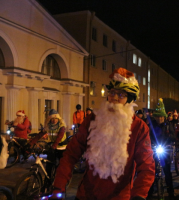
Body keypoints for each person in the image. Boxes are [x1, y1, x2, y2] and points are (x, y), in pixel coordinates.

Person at [51, 68, 155, 200]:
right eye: (112, 93)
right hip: (86, 195)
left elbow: (146, 167)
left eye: (121, 95)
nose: (115, 99)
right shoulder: (93, 119)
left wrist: (139, 195)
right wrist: (58, 187)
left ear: (130, 99)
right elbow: (71, 154)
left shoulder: (139, 127)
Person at [29, 109, 67, 189]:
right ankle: (47, 182)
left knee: (60, 167)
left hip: (61, 148)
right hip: (52, 147)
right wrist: (31, 143)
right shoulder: (48, 126)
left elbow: (59, 137)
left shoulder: (61, 126)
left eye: (55, 118)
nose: (54, 120)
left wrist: (54, 146)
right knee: (48, 166)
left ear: (58, 119)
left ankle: (60, 184)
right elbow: (40, 135)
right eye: (52, 118)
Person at [148, 98, 175, 199]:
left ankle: (170, 191)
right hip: (154, 150)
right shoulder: (151, 126)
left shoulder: (168, 125)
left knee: (167, 171)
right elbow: (147, 136)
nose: (159, 119)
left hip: (165, 149)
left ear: (164, 117)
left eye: (161, 117)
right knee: (151, 171)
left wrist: (169, 140)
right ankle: (150, 192)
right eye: (157, 117)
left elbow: (173, 136)